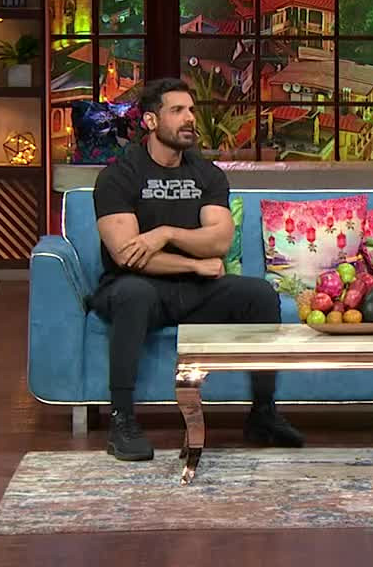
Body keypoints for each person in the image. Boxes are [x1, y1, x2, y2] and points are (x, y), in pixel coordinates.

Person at [89, 78, 303, 461]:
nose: (189, 118)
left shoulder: (206, 174)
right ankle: (122, 421)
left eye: (191, 110)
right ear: (151, 121)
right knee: (134, 293)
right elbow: (127, 255)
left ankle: (263, 413)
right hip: (135, 287)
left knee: (259, 295)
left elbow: (219, 240)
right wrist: (193, 262)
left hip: (195, 290)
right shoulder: (119, 176)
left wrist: (166, 233)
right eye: (177, 111)